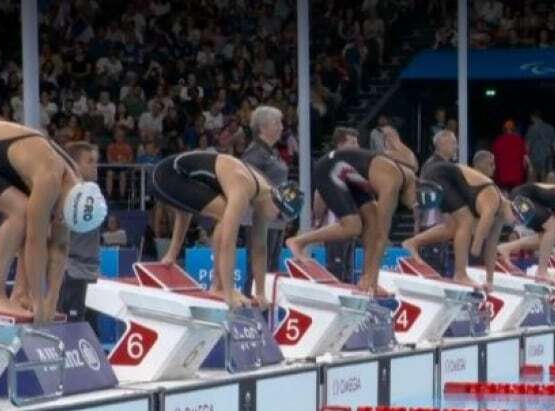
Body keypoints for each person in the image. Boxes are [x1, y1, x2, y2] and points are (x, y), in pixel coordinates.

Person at [153, 151, 302, 309]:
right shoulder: (243, 186)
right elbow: (227, 242)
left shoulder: (265, 197)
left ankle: (170, 257)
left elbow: (259, 248)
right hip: (167, 175)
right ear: (275, 200)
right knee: (223, 213)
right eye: (280, 216)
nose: (277, 220)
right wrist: (229, 292)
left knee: (203, 208)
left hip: (184, 176)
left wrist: (260, 293)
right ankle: (219, 286)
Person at [0, 121, 107, 322]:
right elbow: (34, 244)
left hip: (1, 162)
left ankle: (20, 294)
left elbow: (60, 246)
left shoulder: (73, 190)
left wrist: (51, 300)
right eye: (62, 216)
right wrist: (39, 302)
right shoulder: (50, 178)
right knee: (20, 212)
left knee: (36, 221)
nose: (60, 220)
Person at [286, 126, 418, 293]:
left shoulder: (406, 174)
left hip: (353, 175)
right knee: (353, 226)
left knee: (372, 221)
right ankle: (298, 241)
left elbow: (411, 161)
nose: (410, 205)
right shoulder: (391, 183)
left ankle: (368, 281)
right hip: (330, 168)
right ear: (414, 188)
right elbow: (381, 236)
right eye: (413, 202)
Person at [403, 152, 513, 288]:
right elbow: (477, 246)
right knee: (465, 221)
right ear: (508, 203)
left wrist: (489, 281)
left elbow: (491, 248)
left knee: (452, 228)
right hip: (440, 174)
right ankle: (460, 274)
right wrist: (475, 248)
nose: (514, 221)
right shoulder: (493, 200)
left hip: (447, 181)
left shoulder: (500, 216)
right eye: (515, 215)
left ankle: (412, 242)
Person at [241, 106, 289, 290]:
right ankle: (250, 312)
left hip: (276, 219)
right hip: (259, 218)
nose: (281, 127)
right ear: (262, 127)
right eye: (276, 123)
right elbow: (247, 185)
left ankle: (266, 312)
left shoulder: (272, 152)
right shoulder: (254, 153)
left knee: (270, 271)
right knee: (258, 271)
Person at [501, 182, 555, 284]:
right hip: (522, 196)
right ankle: (541, 272)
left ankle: (505, 248)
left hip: (527, 197)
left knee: (550, 235)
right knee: (553, 228)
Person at [58, 142, 101, 322]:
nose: (95, 166)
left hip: (91, 274)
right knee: (71, 334)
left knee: (90, 334)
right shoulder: (65, 194)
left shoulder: (92, 193)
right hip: (73, 274)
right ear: (75, 165)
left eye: (96, 161)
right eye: (90, 161)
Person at [313, 127, 361, 282]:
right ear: (340, 144)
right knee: (336, 272)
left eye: (357, 142)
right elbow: (320, 194)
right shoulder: (331, 165)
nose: (357, 146)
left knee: (348, 273)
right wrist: (318, 221)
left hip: (351, 229)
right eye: (353, 142)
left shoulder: (353, 168)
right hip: (336, 228)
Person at [414, 129, 457, 272]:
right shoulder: (436, 166)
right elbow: (423, 194)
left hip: (437, 222)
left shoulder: (434, 164)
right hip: (434, 222)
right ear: (442, 143)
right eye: (453, 142)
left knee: (438, 265)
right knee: (434, 267)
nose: (455, 146)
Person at [492, 119, 529, 194]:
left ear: (503, 130)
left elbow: (493, 160)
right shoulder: (519, 141)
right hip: (517, 178)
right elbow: (525, 161)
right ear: (514, 129)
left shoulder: (498, 141)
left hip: (502, 178)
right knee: (515, 198)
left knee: (504, 199)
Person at [525, 111, 555, 182]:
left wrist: (526, 158)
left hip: (534, 158)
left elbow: (527, 146)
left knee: (534, 181)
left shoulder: (531, 129)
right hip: (548, 157)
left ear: (532, 117)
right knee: (546, 181)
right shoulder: (550, 128)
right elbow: (554, 144)